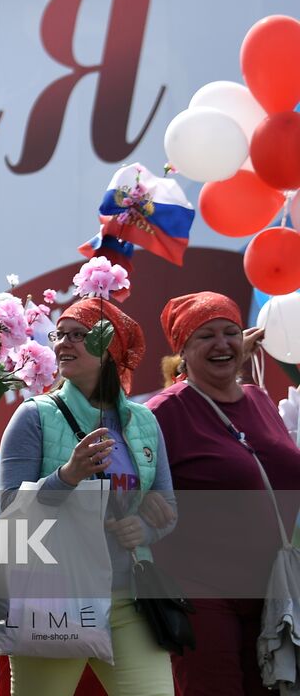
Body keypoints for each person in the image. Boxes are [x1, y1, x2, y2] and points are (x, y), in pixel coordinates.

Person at [0, 297, 176, 695]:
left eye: (79, 335)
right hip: (53, 596)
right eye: (60, 334)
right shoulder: (34, 415)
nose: (63, 343)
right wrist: (67, 476)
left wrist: (144, 528)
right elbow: (9, 510)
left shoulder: (144, 419)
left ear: (111, 348)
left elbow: (169, 509)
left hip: (131, 599)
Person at [148, 292, 300, 696]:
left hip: (273, 590)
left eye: (231, 332)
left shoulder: (259, 399)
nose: (222, 344)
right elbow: (125, 489)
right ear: (182, 349)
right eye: (206, 336)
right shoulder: (164, 412)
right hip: (202, 594)